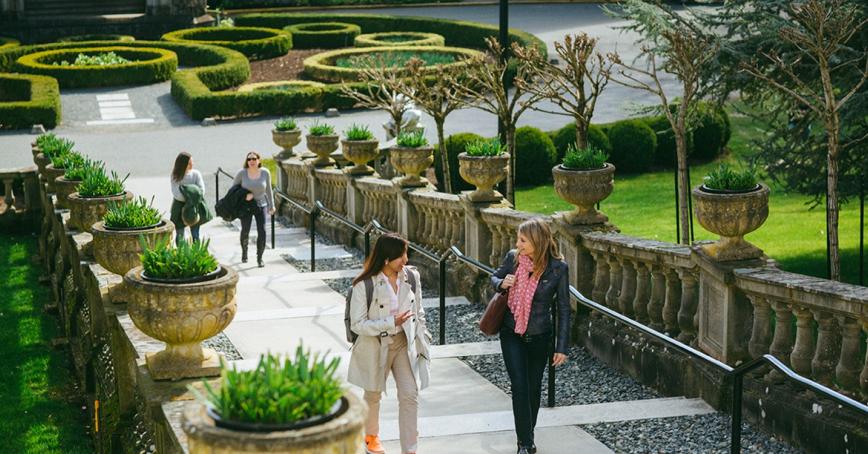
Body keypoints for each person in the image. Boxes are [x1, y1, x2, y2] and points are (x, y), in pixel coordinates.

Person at [491, 218, 571, 454]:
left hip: (539, 336)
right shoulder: (513, 258)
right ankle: (525, 444)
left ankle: (528, 433)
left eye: (523, 240)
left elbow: (564, 309)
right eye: (518, 239)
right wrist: (501, 283)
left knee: (534, 388)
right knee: (519, 386)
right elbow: (493, 277)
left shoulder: (558, 268)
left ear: (537, 241)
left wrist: (562, 346)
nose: (518, 244)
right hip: (511, 333)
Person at [347, 233, 431, 454]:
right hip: (376, 345)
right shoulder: (364, 285)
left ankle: (410, 447)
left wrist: (422, 335)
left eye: (405, 253)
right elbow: (357, 324)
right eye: (401, 255)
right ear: (386, 259)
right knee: (373, 394)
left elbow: (418, 310)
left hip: (403, 342)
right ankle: (371, 437)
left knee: (409, 393)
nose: (405, 259)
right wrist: (389, 322)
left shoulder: (411, 277)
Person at [232, 152, 274, 267]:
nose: (251, 161)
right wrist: (244, 195)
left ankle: (260, 257)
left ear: (259, 160)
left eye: (254, 159)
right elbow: (233, 190)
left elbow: (269, 190)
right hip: (246, 206)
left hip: (261, 204)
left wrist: (272, 205)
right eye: (249, 159)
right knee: (245, 230)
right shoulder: (242, 173)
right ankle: (244, 251)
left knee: (263, 231)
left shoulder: (265, 172)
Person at [170, 152, 205, 246]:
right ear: (182, 164)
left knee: (195, 234)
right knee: (180, 234)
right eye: (189, 163)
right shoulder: (175, 175)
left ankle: (196, 254)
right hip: (179, 206)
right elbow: (176, 193)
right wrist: (192, 193)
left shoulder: (196, 174)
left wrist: (186, 193)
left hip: (194, 206)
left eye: (192, 162)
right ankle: (181, 254)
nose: (191, 164)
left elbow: (201, 191)